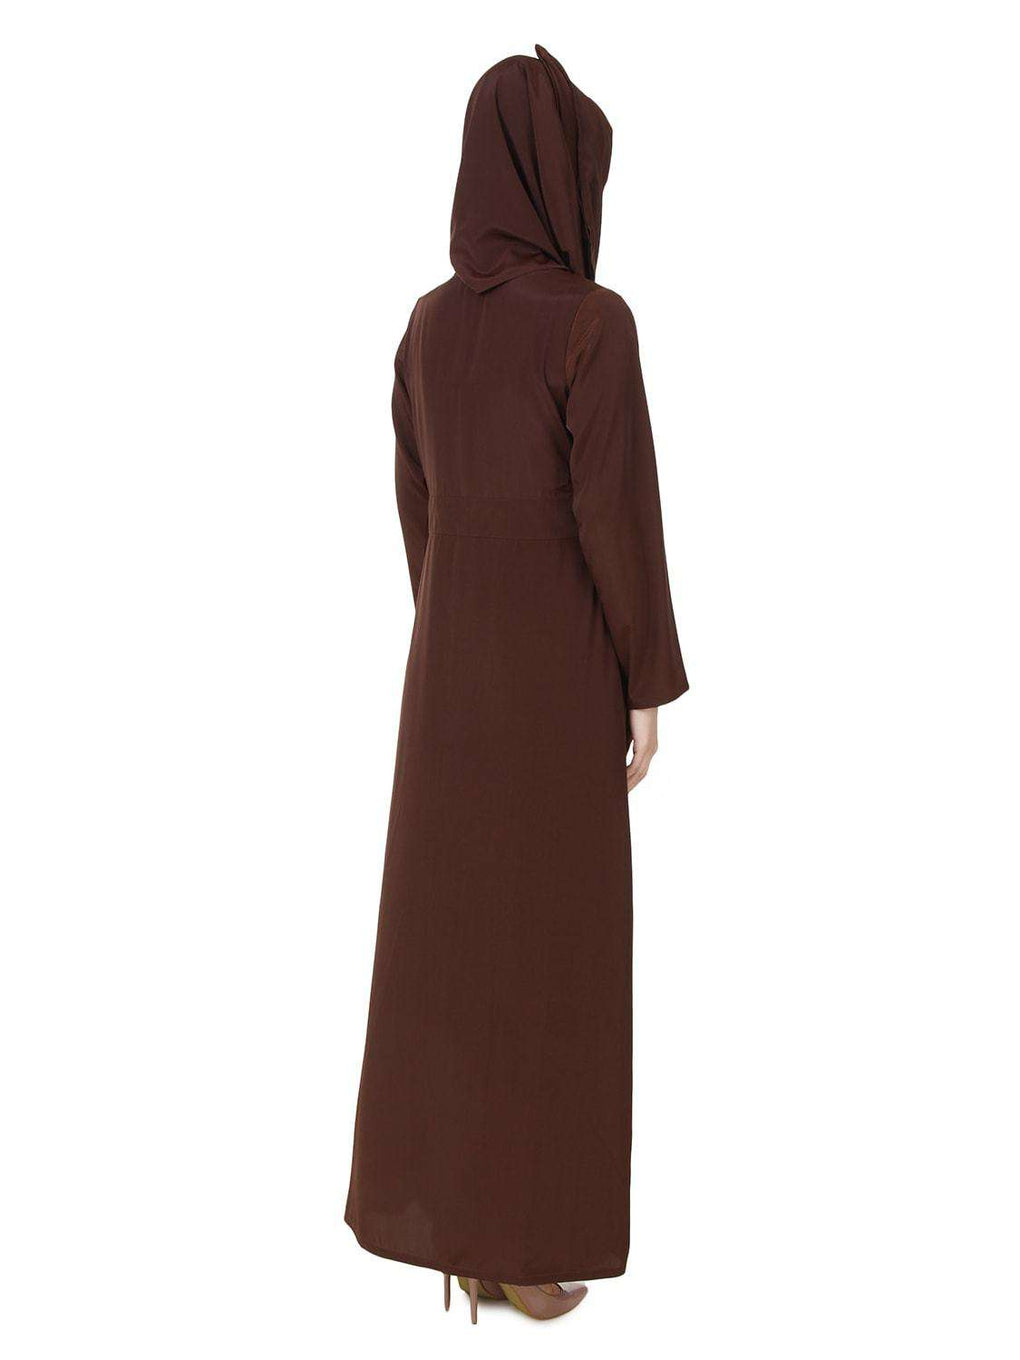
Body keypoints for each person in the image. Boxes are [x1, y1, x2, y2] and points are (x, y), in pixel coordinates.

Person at [345, 46, 688, 1324]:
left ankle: (459, 1232)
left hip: (448, 689)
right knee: (551, 960)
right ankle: (523, 1243)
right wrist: (643, 679)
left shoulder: (426, 326)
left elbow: (419, 509)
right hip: (556, 687)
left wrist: (455, 626)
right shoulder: (592, 324)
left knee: (454, 957)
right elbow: (618, 517)